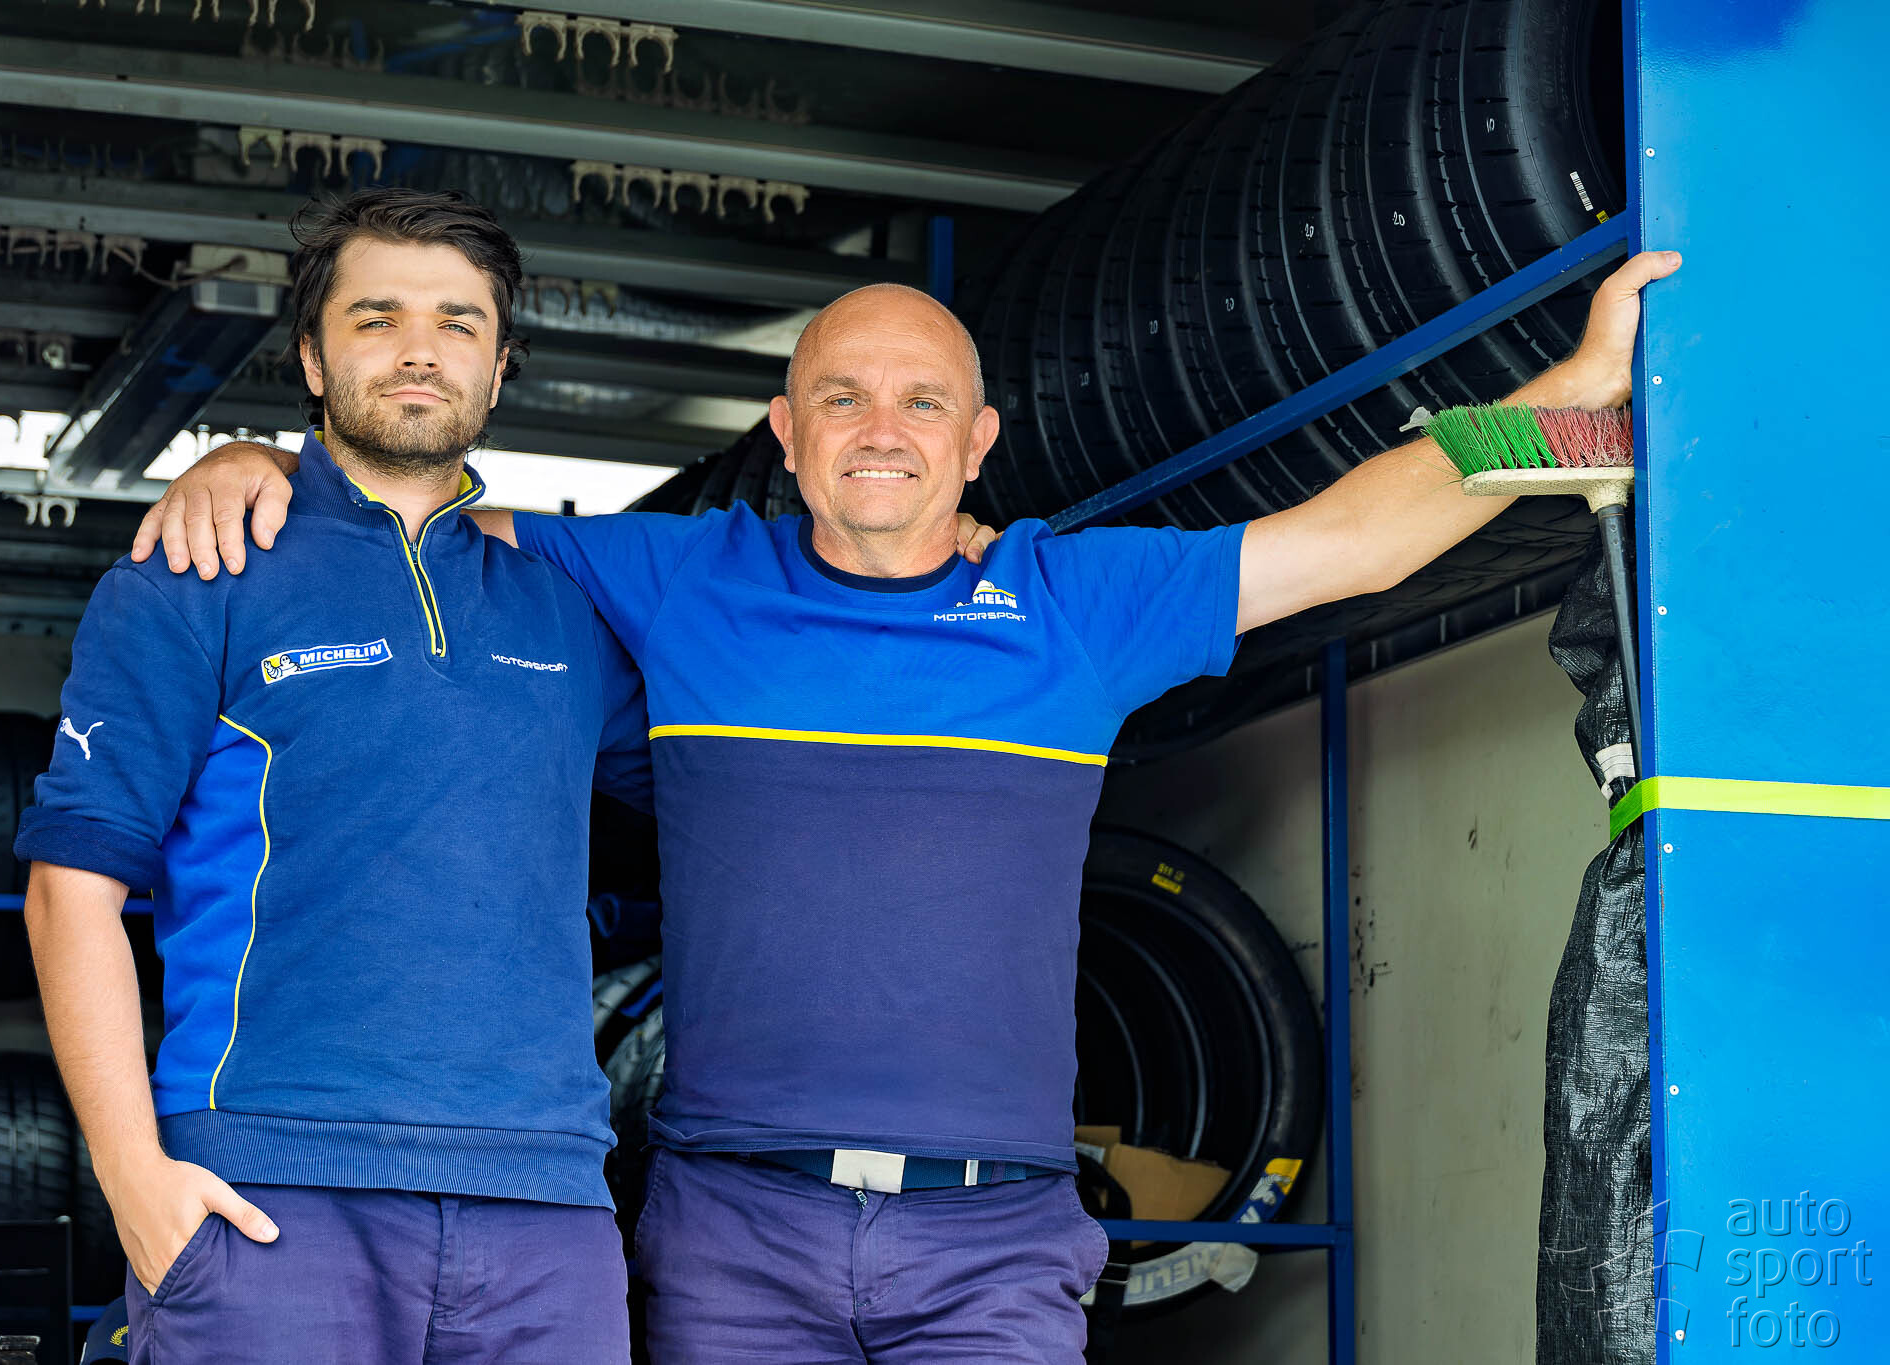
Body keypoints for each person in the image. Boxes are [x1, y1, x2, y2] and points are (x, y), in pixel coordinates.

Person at [141, 241, 1681, 1363]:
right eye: (845, 398)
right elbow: (415, 507)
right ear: (788, 433)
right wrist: (253, 463)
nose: (883, 430)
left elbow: (1355, 537)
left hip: (993, 1245)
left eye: (923, 402)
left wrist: (1567, 400)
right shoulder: (677, 577)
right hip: (733, 1236)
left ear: (978, 439)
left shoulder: (1074, 602)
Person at [18, 188, 657, 1363]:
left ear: (499, 367)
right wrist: (132, 1175)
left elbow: (739, 786)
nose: (419, 349)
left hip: (547, 1210)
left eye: (458, 323)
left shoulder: (565, 610)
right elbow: (70, 894)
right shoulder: (195, 573)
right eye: (376, 317)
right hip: (270, 1190)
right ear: (312, 360)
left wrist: (940, 555)